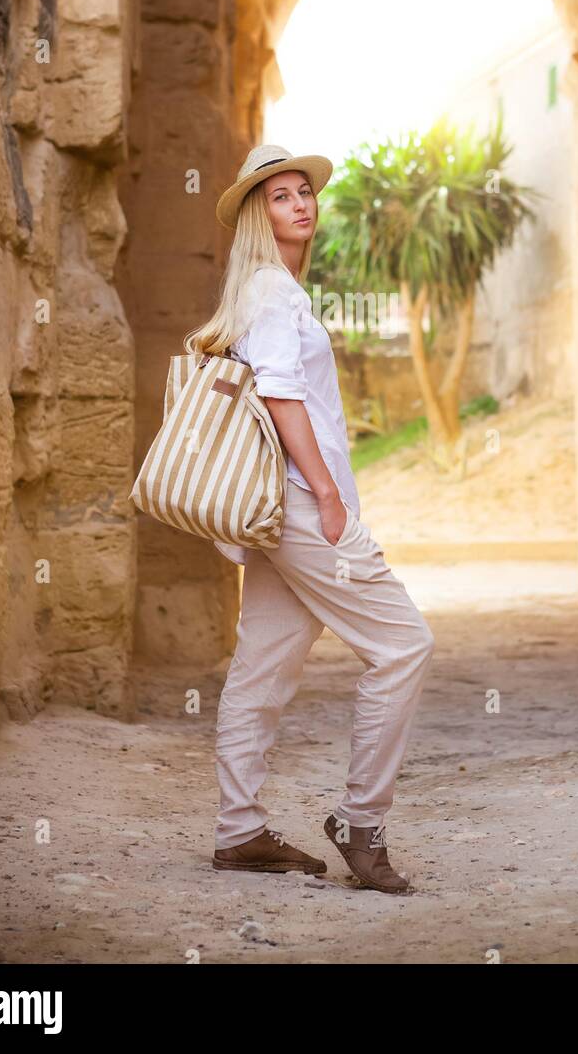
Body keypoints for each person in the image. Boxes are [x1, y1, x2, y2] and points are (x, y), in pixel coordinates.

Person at [185, 143, 435, 895]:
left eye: (305, 193)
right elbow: (285, 396)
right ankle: (361, 821)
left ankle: (239, 832)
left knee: (261, 662)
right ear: (259, 214)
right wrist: (327, 496)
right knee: (403, 645)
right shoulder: (268, 291)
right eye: (282, 195)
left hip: (278, 511)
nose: (301, 203)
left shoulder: (275, 291)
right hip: (298, 506)